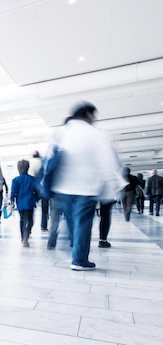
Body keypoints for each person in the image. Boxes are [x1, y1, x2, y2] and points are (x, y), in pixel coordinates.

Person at [50, 101, 122, 271]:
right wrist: (111, 188)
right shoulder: (97, 135)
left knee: (72, 221)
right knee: (83, 223)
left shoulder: (61, 132)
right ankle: (79, 259)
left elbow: (51, 160)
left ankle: (73, 248)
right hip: (86, 188)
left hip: (62, 189)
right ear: (88, 115)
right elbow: (108, 164)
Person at [9, 160, 38, 247]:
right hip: (30, 203)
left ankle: (22, 237)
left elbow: (13, 192)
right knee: (30, 220)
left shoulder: (15, 180)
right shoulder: (33, 179)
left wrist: (12, 202)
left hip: (20, 203)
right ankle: (27, 234)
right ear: (27, 168)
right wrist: (36, 199)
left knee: (22, 220)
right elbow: (37, 191)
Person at [29, 150, 49, 231]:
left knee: (31, 207)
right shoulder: (42, 162)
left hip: (32, 187)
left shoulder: (30, 162)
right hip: (43, 187)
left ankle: (29, 225)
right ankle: (43, 225)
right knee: (45, 208)